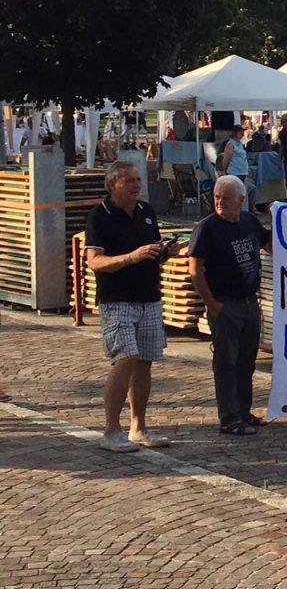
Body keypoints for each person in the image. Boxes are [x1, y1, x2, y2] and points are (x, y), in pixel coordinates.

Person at [84, 161, 176, 452]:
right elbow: (94, 262)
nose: (137, 185)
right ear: (113, 184)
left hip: (150, 296)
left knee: (144, 361)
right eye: (130, 181)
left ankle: (139, 427)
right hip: (118, 299)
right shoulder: (100, 216)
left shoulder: (146, 212)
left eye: (138, 180)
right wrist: (131, 257)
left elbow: (150, 254)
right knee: (125, 358)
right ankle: (111, 430)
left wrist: (165, 253)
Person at [189, 176, 272, 437]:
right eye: (216, 197)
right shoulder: (208, 228)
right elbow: (195, 269)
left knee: (247, 361)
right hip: (225, 304)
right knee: (226, 362)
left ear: (241, 199)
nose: (219, 202)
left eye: (225, 197)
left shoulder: (249, 221)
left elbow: (270, 245)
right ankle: (229, 417)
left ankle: (243, 410)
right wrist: (212, 305)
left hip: (249, 302)